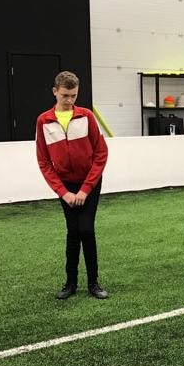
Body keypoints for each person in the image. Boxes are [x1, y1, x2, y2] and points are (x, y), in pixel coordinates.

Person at [36, 71, 110, 300]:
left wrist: (85, 189)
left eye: (74, 96)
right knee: (73, 232)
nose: (69, 100)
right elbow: (44, 162)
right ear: (55, 91)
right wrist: (64, 192)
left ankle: (93, 283)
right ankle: (70, 283)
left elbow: (101, 153)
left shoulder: (87, 116)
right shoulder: (43, 121)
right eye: (65, 95)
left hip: (90, 183)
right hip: (66, 186)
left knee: (86, 229)